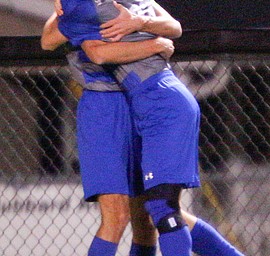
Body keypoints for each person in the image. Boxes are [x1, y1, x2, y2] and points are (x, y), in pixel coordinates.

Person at [43, 0, 245, 255]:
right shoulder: (85, 7)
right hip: (105, 102)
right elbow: (52, 40)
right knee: (118, 215)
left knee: (153, 213)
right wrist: (156, 44)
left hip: (142, 100)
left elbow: (174, 26)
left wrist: (141, 23)